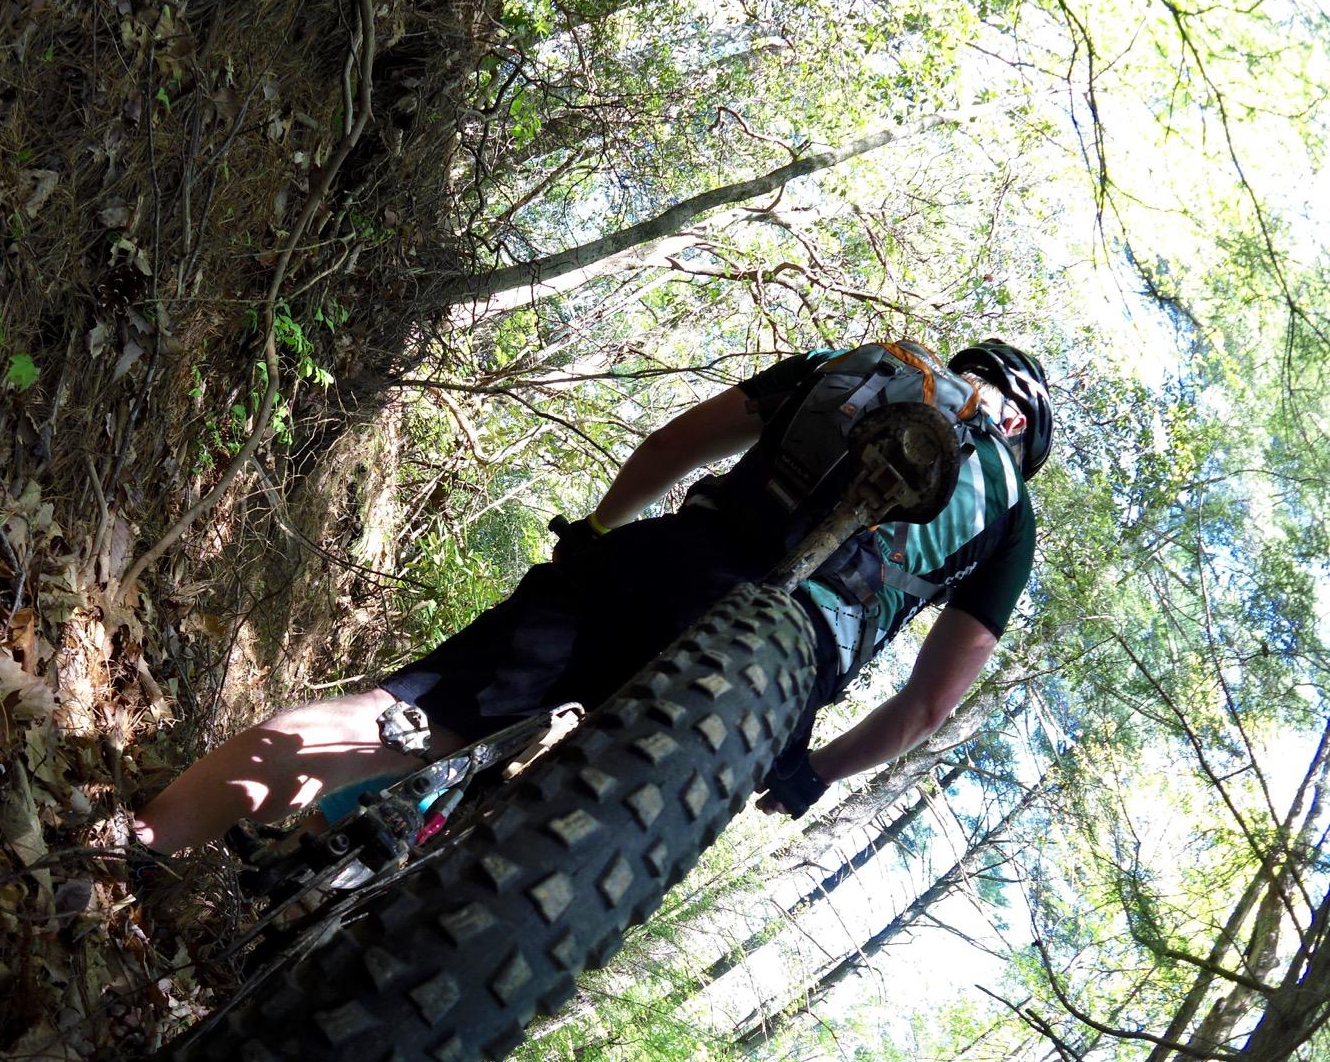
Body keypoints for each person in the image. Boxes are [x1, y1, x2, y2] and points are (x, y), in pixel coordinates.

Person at [129, 340, 1053, 854]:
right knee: (566, 857)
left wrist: (600, 535)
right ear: (1023, 433)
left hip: (674, 560)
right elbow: (931, 703)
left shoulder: (859, 362)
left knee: (405, 715)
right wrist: (815, 770)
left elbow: (673, 445)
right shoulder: (1011, 519)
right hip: (761, 689)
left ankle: (136, 840)